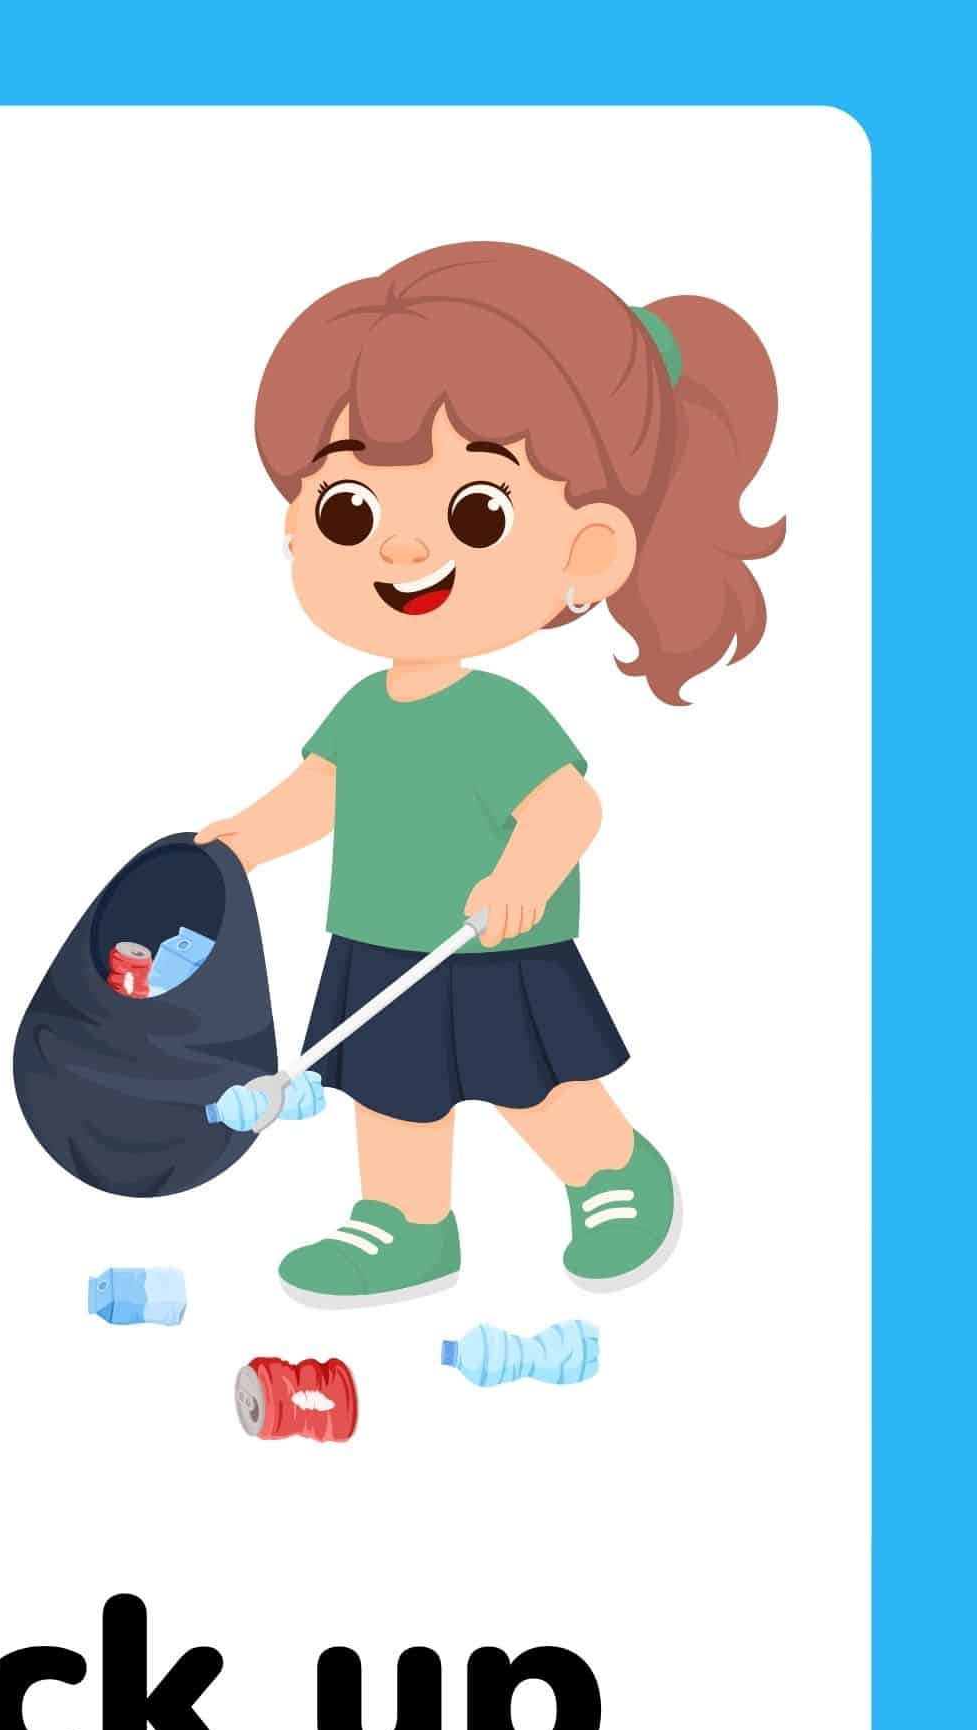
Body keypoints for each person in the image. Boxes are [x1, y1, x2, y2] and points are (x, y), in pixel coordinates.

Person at [197, 242, 782, 1304]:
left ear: (589, 550)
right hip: (376, 934)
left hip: (492, 938)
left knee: (537, 1081)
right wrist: (239, 839)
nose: (401, 547)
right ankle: (404, 1221)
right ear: (297, 524)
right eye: (347, 510)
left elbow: (570, 802)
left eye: (475, 511)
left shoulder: (498, 712)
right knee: (389, 1091)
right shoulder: (363, 707)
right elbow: (322, 789)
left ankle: (609, 1170)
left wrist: (525, 867)